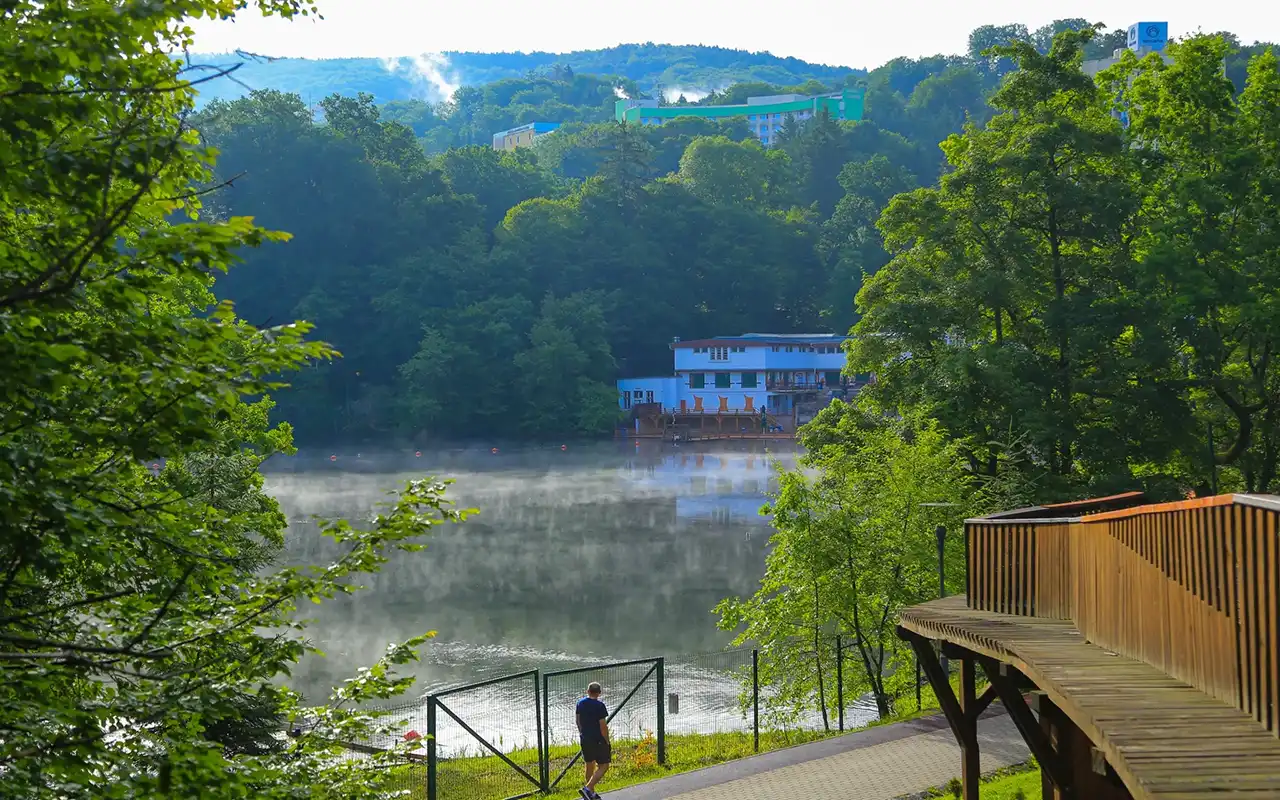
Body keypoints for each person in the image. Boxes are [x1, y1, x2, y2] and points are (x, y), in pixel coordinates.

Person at [575, 682, 610, 799]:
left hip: (585, 739)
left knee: (589, 765)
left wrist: (581, 732)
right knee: (604, 765)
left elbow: (578, 720)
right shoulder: (600, 706)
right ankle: (588, 788)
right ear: (599, 693)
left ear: (588, 691)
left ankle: (590, 794)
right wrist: (607, 740)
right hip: (598, 740)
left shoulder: (580, 703)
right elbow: (603, 726)